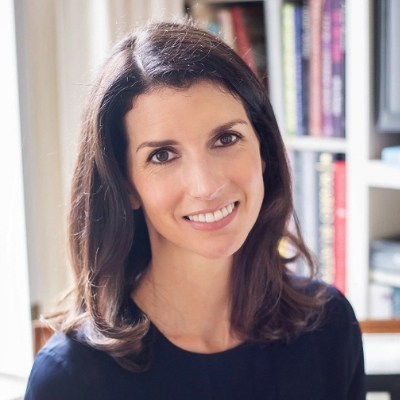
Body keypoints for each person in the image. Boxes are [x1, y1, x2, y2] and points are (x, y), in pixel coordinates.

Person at [25, 21, 365, 400]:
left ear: (264, 149)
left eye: (226, 138)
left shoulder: (330, 326)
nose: (206, 186)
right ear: (126, 186)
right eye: (162, 155)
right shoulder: (70, 379)